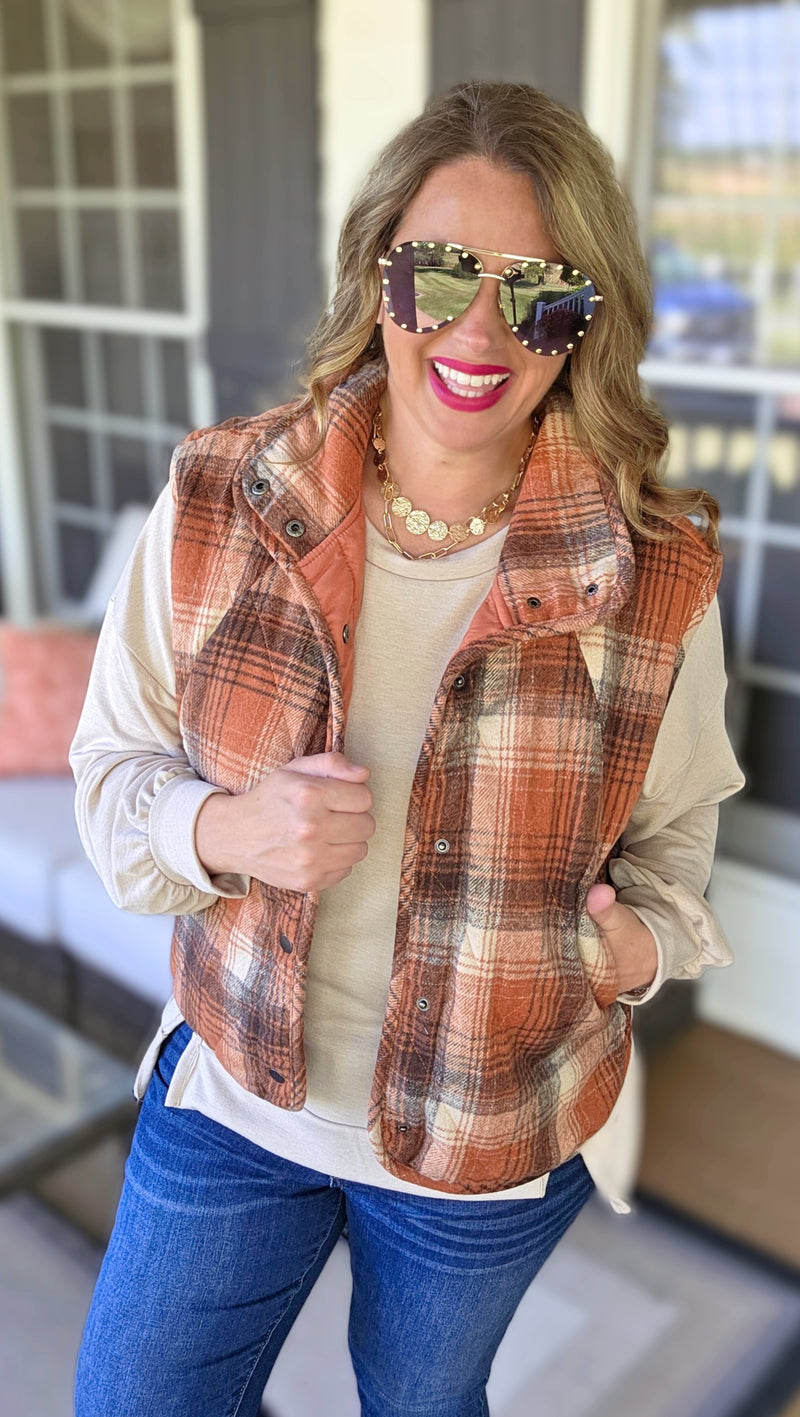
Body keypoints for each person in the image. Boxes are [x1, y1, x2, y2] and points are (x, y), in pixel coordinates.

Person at [71, 80, 744, 1417]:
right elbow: (110, 769)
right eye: (439, 271)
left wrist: (641, 948)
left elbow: (675, 845)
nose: (479, 331)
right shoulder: (219, 497)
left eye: (537, 292)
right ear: (378, 270)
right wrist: (226, 828)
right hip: (237, 1096)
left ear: (587, 320)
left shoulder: (656, 575)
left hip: (488, 1146)